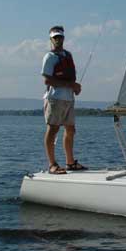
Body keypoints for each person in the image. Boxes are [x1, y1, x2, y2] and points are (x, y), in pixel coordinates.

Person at [41, 25, 85, 174]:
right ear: (51, 39)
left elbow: (70, 77)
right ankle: (52, 164)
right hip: (55, 98)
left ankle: (70, 162)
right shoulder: (49, 57)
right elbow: (47, 80)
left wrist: (75, 88)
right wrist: (71, 85)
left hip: (68, 99)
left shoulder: (68, 55)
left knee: (71, 129)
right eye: (55, 37)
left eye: (60, 37)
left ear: (63, 38)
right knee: (53, 129)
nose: (58, 40)